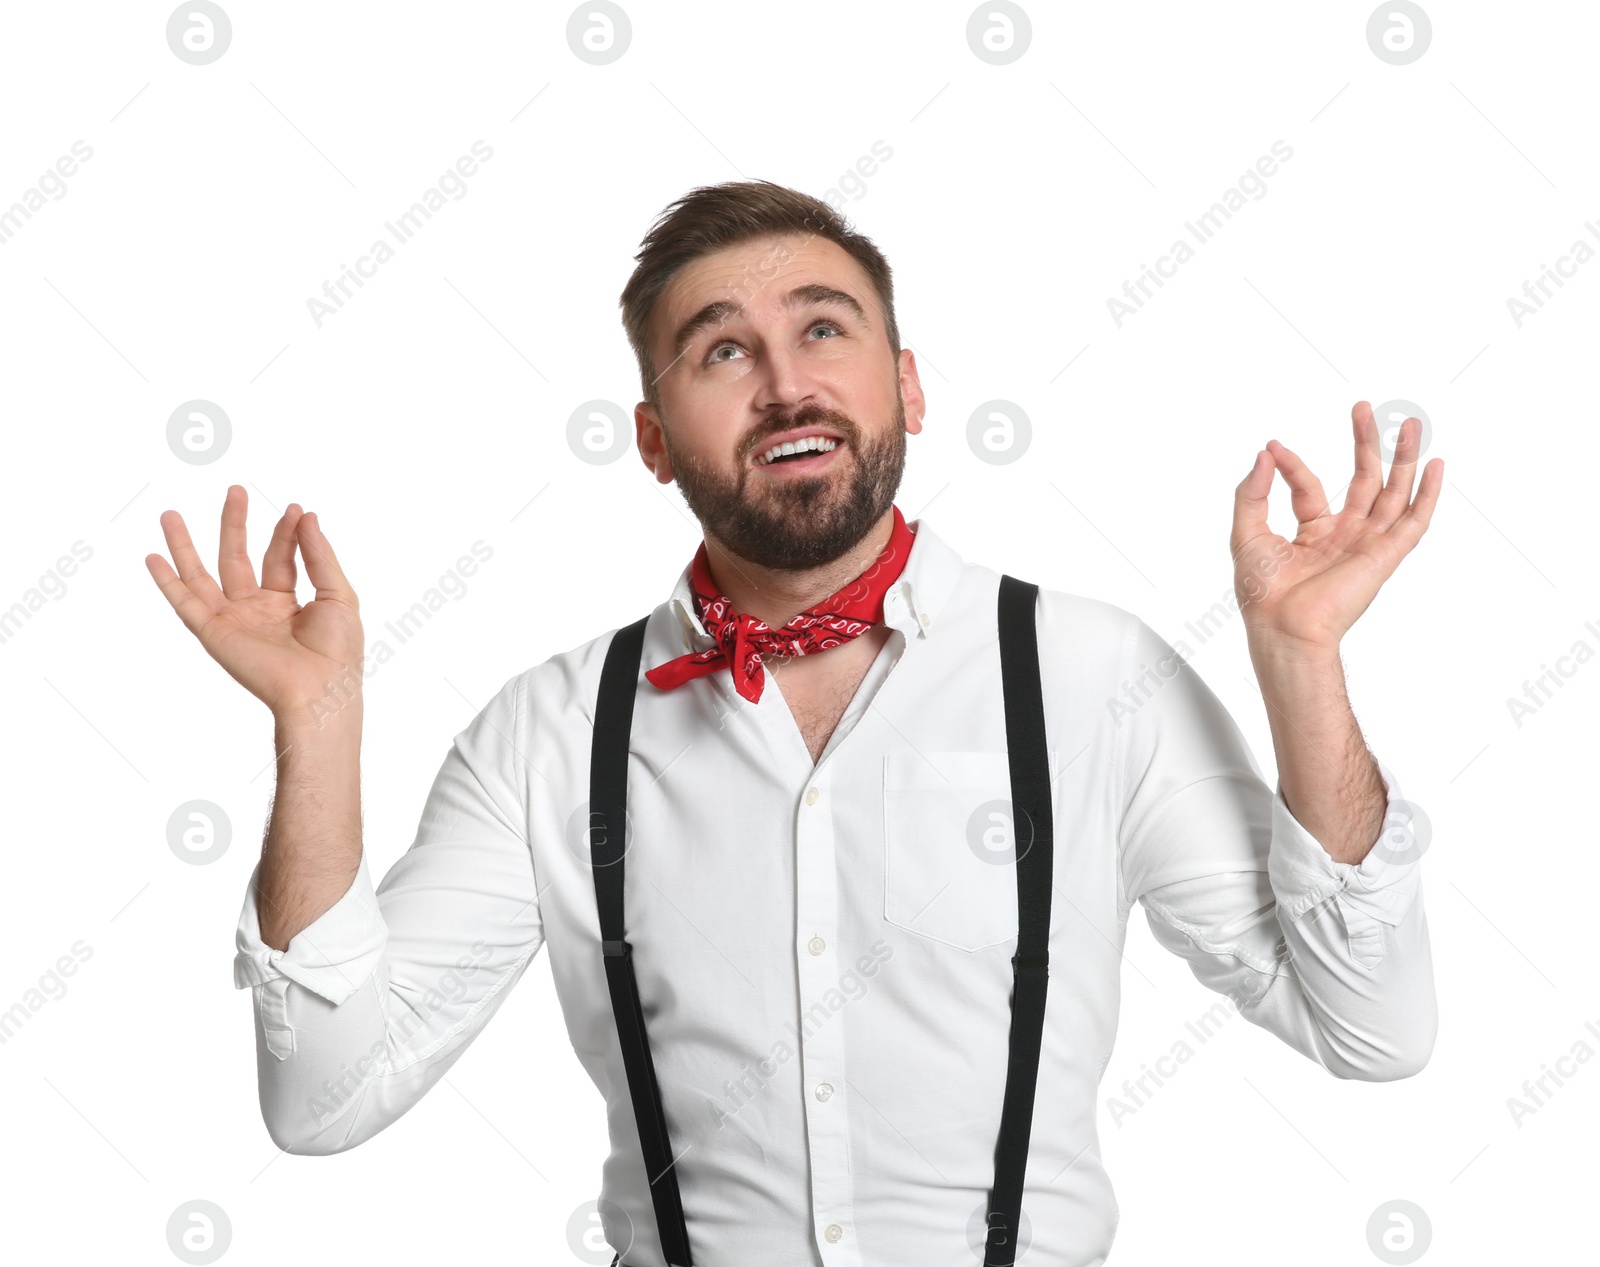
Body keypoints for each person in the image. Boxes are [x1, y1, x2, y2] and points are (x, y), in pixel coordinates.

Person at [144, 180, 1442, 1267]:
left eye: (825, 331)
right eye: (721, 350)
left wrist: (1302, 662)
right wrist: (315, 723)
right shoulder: (551, 733)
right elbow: (322, 1100)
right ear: (654, 439)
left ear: (910, 386)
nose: (782, 385)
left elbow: (1369, 1031)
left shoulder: (1092, 676)